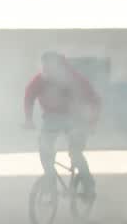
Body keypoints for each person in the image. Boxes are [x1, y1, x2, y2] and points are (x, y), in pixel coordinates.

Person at [24, 51, 101, 197]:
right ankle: (50, 180)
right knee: (44, 148)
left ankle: (89, 185)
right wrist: (28, 119)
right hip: (52, 118)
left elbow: (94, 100)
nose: (46, 70)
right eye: (44, 66)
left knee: (75, 153)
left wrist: (92, 123)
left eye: (50, 66)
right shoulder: (41, 79)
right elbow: (29, 95)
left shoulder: (75, 79)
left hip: (76, 119)